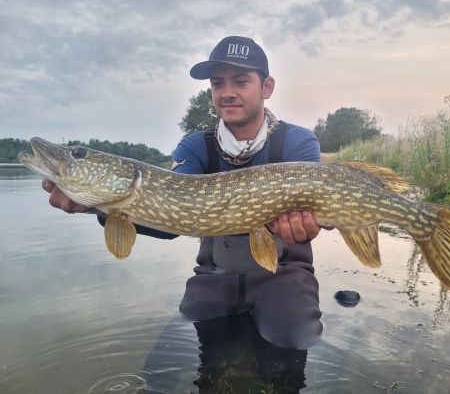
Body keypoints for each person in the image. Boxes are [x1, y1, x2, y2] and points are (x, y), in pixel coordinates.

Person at [42, 35, 324, 350]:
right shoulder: (195, 146)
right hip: (214, 275)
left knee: (293, 342)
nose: (227, 93)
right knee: (174, 361)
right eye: (218, 84)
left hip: (284, 275)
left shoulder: (297, 142)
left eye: (241, 81)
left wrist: (302, 226)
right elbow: (173, 221)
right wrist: (100, 208)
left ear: (267, 87)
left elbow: (307, 218)